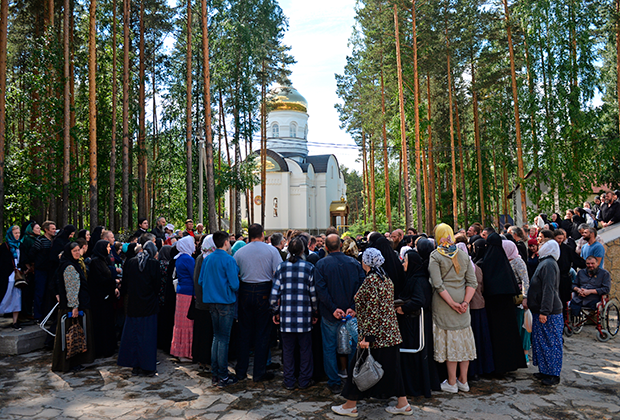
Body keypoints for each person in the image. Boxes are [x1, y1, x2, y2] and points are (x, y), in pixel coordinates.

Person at [331, 248, 412, 417]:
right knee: (392, 369)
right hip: (389, 333)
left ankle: (350, 405)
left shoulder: (372, 280)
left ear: (366, 262)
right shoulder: (385, 278)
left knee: (357, 367)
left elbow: (373, 310)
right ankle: (403, 404)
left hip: (376, 335)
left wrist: (368, 337)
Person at [428, 224, 477, 393]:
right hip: (463, 304)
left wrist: (452, 304)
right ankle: (463, 381)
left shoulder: (435, 256)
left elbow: (437, 284)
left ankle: (451, 382)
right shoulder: (463, 255)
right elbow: (472, 282)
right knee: (463, 342)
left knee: (451, 345)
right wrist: (464, 302)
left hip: (444, 305)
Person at [314, 233, 365, 394]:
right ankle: (350, 377)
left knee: (329, 347)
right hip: (346, 312)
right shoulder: (354, 263)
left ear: (326, 247)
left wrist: (334, 308)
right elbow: (362, 287)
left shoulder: (322, 264)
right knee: (352, 346)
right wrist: (352, 307)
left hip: (332, 313)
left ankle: (334, 381)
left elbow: (321, 290)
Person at [233, 223, 282, 383]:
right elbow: (279, 272)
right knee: (263, 333)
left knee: (244, 333)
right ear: (262, 234)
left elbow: (236, 272)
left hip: (245, 291)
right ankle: (259, 372)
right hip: (264, 290)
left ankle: (240, 371)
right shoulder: (271, 250)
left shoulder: (240, 251)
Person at [270, 237, 318, 391]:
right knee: (305, 350)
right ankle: (304, 380)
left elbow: (274, 295)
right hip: (304, 316)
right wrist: (315, 311)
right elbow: (313, 294)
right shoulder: (309, 267)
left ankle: (289, 380)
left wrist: (275, 311)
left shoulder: (281, 267)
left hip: (286, 316)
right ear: (303, 250)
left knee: (288, 350)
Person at [480, 232, 527, 375]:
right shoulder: (505, 263)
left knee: (495, 337)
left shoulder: (486, 262)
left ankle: (495, 367)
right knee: (508, 335)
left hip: (492, 308)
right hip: (506, 308)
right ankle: (510, 364)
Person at [398, 247, 439, 397]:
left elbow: (419, 300)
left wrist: (404, 308)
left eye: (406, 261)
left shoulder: (417, 280)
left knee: (415, 355)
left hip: (416, 324)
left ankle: (414, 387)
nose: (403, 264)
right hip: (418, 322)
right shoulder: (417, 278)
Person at [200, 231, 240, 387]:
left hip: (211, 302)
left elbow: (202, 280)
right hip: (225, 302)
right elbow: (235, 285)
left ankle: (216, 373)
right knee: (223, 339)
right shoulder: (229, 260)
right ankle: (222, 375)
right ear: (225, 243)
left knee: (217, 338)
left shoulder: (207, 259)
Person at [117, 241, 160, 376]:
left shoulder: (131, 262)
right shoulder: (154, 264)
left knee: (133, 334)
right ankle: (147, 366)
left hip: (134, 304)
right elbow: (157, 286)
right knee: (147, 337)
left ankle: (135, 365)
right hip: (149, 305)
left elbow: (125, 283)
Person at [52, 243, 96, 372]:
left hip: (73, 305)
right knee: (71, 336)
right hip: (72, 307)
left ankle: (73, 362)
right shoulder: (69, 267)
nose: (77, 253)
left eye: (78, 250)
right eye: (74, 251)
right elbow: (72, 288)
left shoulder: (71, 264)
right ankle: (70, 363)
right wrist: (74, 306)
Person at [524, 239, 563, 386]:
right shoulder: (546, 262)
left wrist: (544, 311)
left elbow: (549, 290)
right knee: (542, 342)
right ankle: (545, 370)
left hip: (548, 312)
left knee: (550, 343)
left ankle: (553, 374)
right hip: (541, 310)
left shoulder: (548, 265)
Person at [87, 240, 118, 358]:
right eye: (108, 247)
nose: (109, 249)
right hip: (100, 299)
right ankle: (102, 349)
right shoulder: (95, 262)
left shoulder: (102, 260)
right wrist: (113, 282)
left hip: (106, 297)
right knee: (101, 325)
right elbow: (98, 280)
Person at [502, 239, 531, 364]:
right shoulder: (505, 261)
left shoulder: (518, 261)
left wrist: (525, 297)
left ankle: (524, 354)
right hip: (511, 299)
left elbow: (525, 280)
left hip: (519, 300)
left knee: (523, 327)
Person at [170, 236, 196, 363]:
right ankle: (186, 353)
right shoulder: (188, 259)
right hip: (188, 293)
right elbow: (194, 276)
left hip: (181, 292)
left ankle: (179, 350)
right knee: (188, 323)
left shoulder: (179, 258)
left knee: (180, 322)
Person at [192, 235, 215, 372]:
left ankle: (202, 360)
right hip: (208, 303)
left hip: (200, 302)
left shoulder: (201, 257)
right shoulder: (208, 259)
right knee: (207, 334)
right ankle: (206, 360)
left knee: (201, 333)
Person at [29, 220, 56, 322]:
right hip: (41, 271)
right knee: (39, 293)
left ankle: (47, 315)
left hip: (50, 271)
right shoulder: (40, 240)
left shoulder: (54, 241)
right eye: (52, 229)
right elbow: (32, 254)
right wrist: (34, 265)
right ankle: (38, 316)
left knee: (48, 294)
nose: (54, 230)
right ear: (46, 230)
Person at [1, 226, 23, 330]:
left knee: (17, 298)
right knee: (5, 296)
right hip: (7, 275)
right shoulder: (4, 247)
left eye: (18, 233)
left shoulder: (20, 246)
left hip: (18, 275)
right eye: (15, 233)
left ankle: (15, 321)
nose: (18, 235)